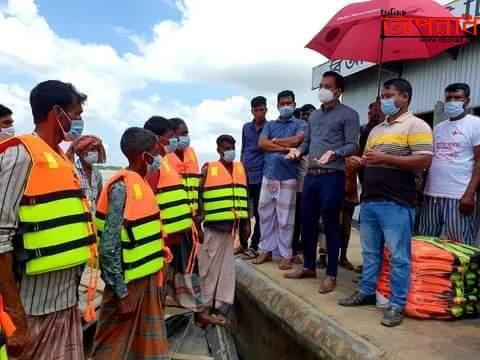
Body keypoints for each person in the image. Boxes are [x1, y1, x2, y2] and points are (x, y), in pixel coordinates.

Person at [0, 80, 95, 359]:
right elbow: (1, 237)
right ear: (58, 113)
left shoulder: (63, 160)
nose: (79, 121)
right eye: (76, 114)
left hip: (64, 302)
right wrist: (15, 318)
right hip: (32, 308)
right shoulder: (20, 156)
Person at [339, 78, 433, 327]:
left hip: (396, 201)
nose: (384, 100)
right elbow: (372, 159)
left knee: (399, 256)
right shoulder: (377, 130)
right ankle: (367, 290)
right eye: (383, 96)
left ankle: (396, 304)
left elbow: (424, 161)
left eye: (389, 95)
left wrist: (386, 158)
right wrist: (359, 162)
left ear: (404, 97)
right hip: (370, 199)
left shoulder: (417, 125)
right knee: (370, 252)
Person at [91, 127, 169, 359]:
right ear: (144, 156)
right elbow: (109, 246)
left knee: (148, 344)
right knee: (112, 344)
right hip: (127, 283)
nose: (159, 159)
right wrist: (121, 293)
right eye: (156, 153)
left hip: (147, 279)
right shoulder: (121, 187)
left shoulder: (142, 183)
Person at [284, 71, 360, 295]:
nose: (322, 90)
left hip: (332, 176)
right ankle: (308, 266)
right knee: (307, 222)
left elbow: (352, 145)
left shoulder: (349, 115)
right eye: (320, 85)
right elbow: (307, 142)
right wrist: (297, 151)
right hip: (312, 176)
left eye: (327, 86)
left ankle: (331, 274)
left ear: (338, 90)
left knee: (330, 226)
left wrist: (335, 153)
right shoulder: (315, 116)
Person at [144, 117, 222, 326]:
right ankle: (155, 318)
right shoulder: (155, 164)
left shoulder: (178, 159)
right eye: (175, 136)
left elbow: (193, 189)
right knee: (160, 277)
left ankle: (198, 311)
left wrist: (196, 220)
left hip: (184, 226)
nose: (180, 140)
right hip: (164, 234)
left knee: (189, 270)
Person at [418, 83, 480, 246]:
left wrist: (469, 194)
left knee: (460, 245)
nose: (452, 101)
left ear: (467, 101)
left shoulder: (475, 124)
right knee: (426, 242)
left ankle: (463, 273)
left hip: (458, 195)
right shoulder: (438, 128)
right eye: (449, 98)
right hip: (432, 195)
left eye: (457, 98)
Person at [198, 135, 250, 322]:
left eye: (232, 147)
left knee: (226, 270)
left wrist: (246, 223)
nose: (229, 150)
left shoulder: (241, 168)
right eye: (226, 147)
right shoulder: (208, 169)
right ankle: (204, 308)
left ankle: (220, 306)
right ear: (218, 149)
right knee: (208, 270)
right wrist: (198, 226)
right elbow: (199, 197)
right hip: (213, 228)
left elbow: (245, 195)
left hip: (231, 229)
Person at [252, 90, 306, 270]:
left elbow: (297, 141)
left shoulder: (301, 123)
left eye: (288, 103)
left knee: (286, 219)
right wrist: (283, 148)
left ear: (294, 104)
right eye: (282, 104)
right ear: (277, 106)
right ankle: (266, 250)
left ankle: (285, 254)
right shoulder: (270, 124)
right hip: (269, 175)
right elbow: (262, 144)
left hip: (288, 176)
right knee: (265, 215)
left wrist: (274, 142)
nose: (285, 106)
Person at [240, 96, 268, 259]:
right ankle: (242, 244)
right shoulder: (246, 128)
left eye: (262, 110)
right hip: (245, 176)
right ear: (252, 110)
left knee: (259, 213)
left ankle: (254, 245)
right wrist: (241, 169)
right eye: (256, 110)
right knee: (243, 213)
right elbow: (244, 150)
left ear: (266, 110)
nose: (259, 113)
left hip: (261, 176)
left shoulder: (269, 127)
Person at [291, 104, 315, 263]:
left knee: (311, 222)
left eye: (310, 114)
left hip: (314, 185)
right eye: (304, 115)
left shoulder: (318, 135)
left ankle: (309, 254)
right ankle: (294, 250)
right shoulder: (298, 137)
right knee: (296, 220)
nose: (307, 117)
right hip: (298, 186)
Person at [66, 135, 106, 214]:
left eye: (97, 150)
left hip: (93, 221)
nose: (95, 153)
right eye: (92, 150)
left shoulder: (97, 174)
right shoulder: (72, 171)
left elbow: (99, 198)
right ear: (81, 152)